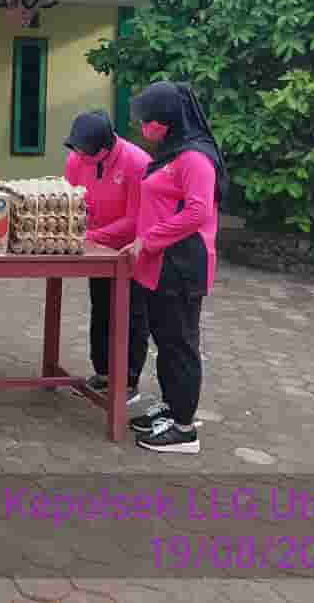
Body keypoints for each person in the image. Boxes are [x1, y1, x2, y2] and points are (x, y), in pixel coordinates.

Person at [121, 82, 228, 455]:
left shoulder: (196, 158)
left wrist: (147, 241)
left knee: (180, 343)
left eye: (149, 120)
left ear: (168, 120)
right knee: (165, 341)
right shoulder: (171, 155)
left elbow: (198, 211)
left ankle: (184, 429)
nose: (143, 127)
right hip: (158, 264)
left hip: (181, 263)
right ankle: (171, 407)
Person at [63, 110, 152, 405]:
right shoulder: (77, 159)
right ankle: (103, 372)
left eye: (84, 153)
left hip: (129, 251)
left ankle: (128, 380)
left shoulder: (137, 163)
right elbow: (72, 200)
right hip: (97, 249)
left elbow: (135, 219)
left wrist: (91, 236)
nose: (78, 158)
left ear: (104, 149)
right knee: (101, 307)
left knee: (131, 314)